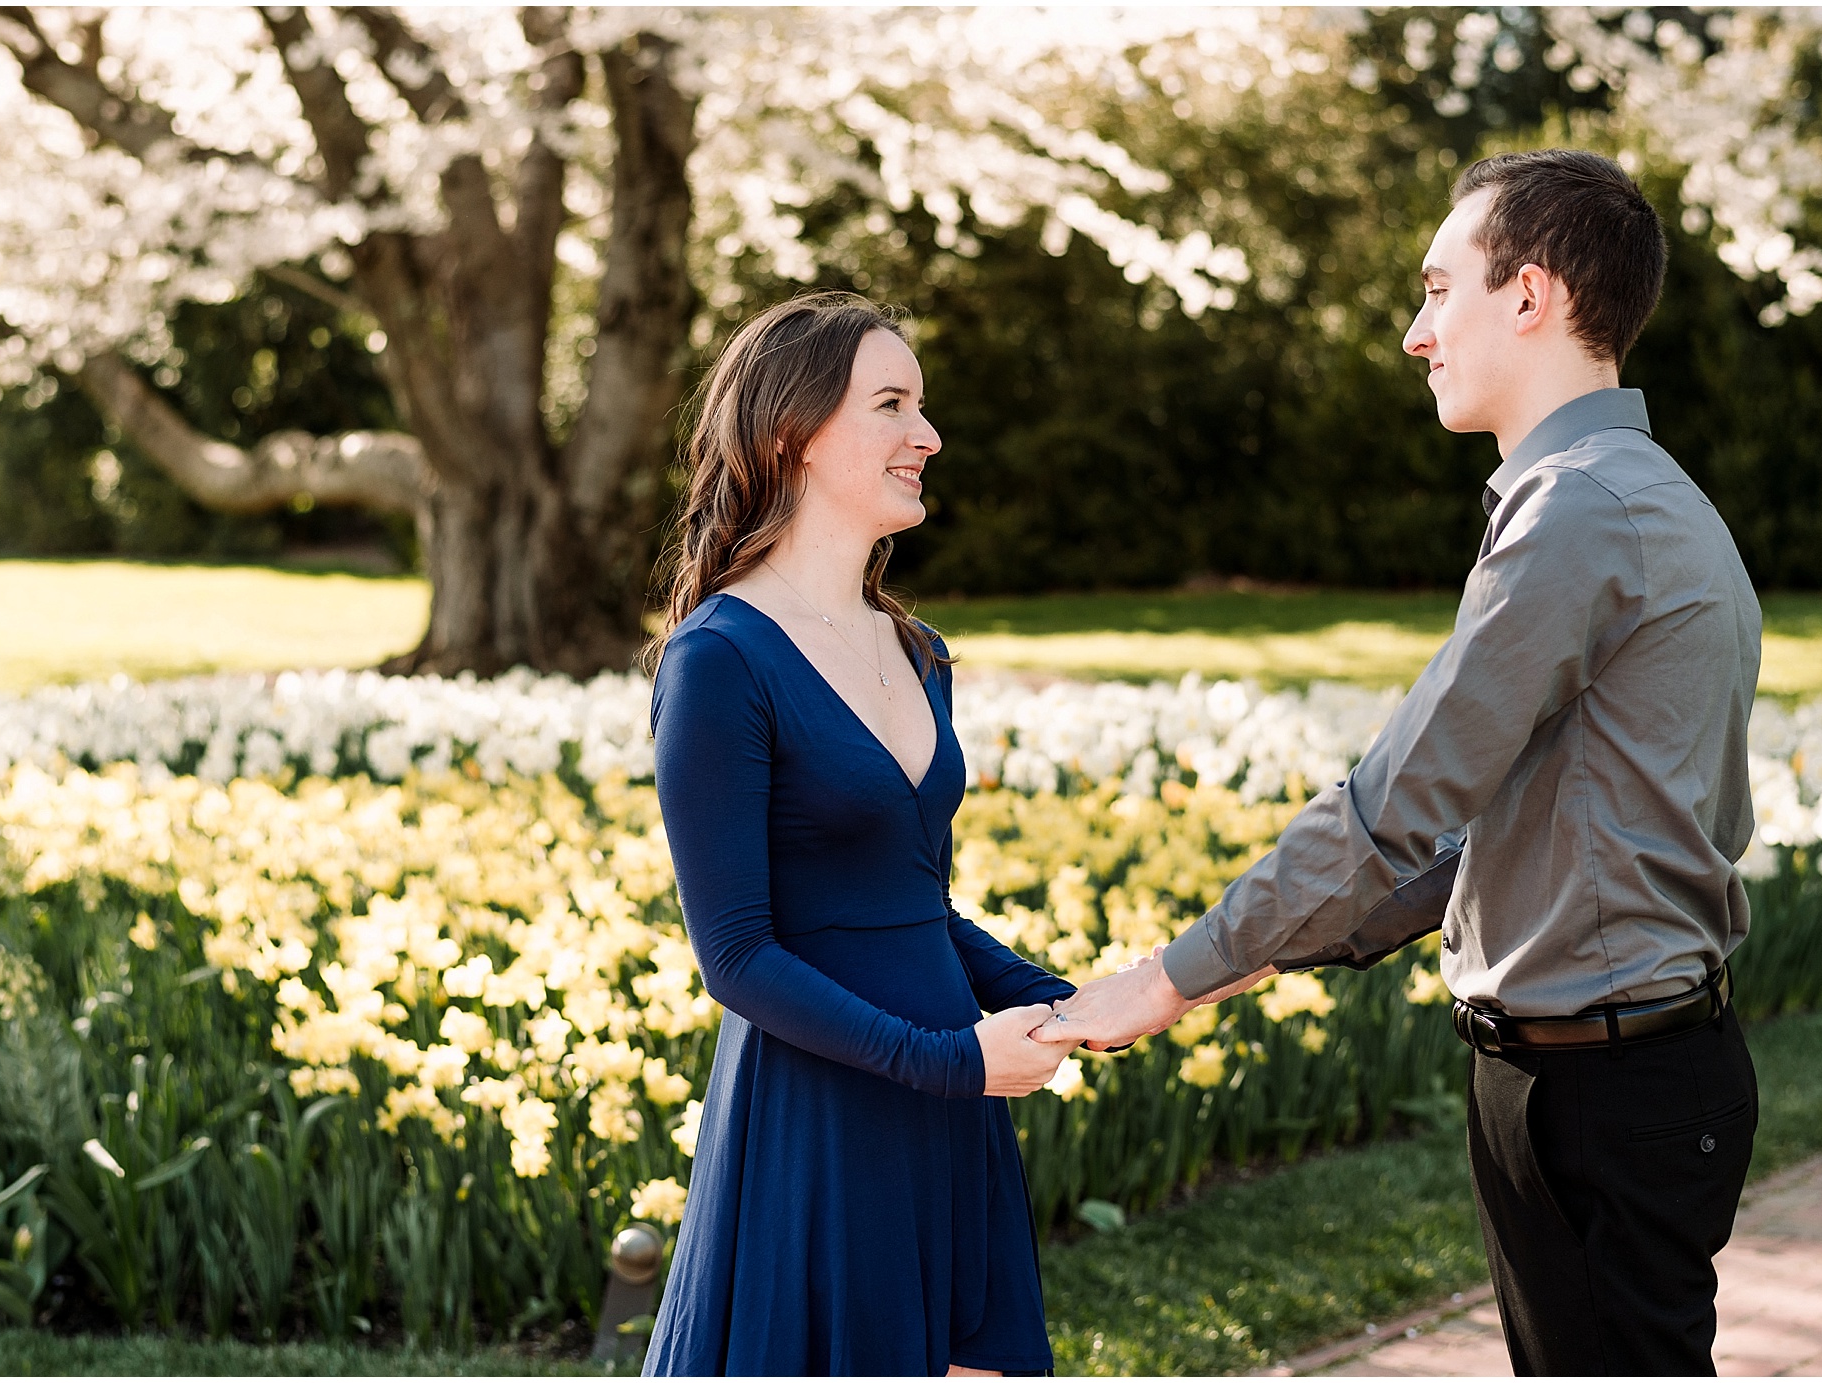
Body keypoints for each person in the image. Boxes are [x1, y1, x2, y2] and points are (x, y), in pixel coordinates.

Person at [1039, 149, 1764, 1376]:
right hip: (1599, 1073)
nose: (1417, 332)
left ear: (1528, 295)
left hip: (1604, 1089)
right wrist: (1250, 961)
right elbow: (1488, 833)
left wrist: (1165, 980)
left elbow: (1396, 806)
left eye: (1439, 290)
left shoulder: (1580, 509)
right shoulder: (1624, 493)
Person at [641, 292, 1079, 1377]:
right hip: (824, 1122)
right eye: (891, 405)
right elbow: (737, 956)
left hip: (950, 1105)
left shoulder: (917, 650)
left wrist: (1057, 997)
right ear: (792, 433)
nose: (925, 437)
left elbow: (914, 907)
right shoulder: (720, 662)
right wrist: (943, 1062)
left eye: (920, 408)